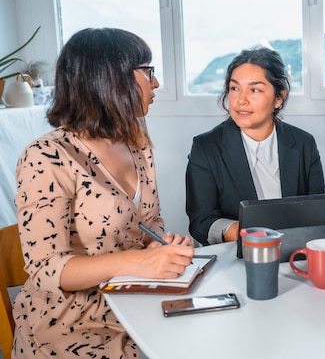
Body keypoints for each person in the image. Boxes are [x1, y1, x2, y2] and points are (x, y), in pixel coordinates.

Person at [12, 28, 194, 359]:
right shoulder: (46, 156)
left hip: (133, 301)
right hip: (71, 323)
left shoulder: (136, 140)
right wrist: (139, 261)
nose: (156, 83)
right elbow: (47, 270)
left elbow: (147, 221)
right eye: (148, 71)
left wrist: (159, 245)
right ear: (111, 78)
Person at [186, 47, 325, 245]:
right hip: (238, 257)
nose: (241, 100)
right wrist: (236, 230)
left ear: (279, 98)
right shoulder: (206, 147)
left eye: (255, 90)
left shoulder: (304, 143)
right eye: (235, 88)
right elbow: (200, 222)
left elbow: (319, 213)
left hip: (295, 253)